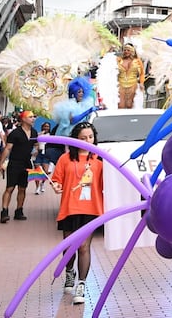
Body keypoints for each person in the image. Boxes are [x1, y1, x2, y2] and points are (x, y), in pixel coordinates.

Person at [49, 121, 104, 306]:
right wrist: (56, 185)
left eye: (90, 137)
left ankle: (81, 284)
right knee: (69, 247)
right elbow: (57, 180)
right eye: (83, 138)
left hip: (91, 209)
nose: (88, 140)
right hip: (70, 208)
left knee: (83, 247)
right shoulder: (65, 159)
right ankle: (69, 272)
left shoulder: (100, 159)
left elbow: (106, 185)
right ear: (75, 140)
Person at [0, 110, 37, 223]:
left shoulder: (34, 133)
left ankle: (19, 210)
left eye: (34, 117)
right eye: (30, 117)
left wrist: (37, 152)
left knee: (22, 188)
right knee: (10, 188)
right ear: (23, 119)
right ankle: (4, 211)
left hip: (26, 163)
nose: (33, 119)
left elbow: (36, 147)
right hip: (14, 163)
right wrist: (1, 163)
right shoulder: (15, 133)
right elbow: (8, 148)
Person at [116, 42, 145, 109]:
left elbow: (142, 73)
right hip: (121, 85)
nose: (126, 52)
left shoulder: (137, 61)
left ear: (132, 51)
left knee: (130, 105)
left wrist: (141, 83)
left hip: (133, 85)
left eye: (128, 50)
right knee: (121, 105)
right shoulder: (119, 60)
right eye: (125, 50)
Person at [32, 121, 54, 195]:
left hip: (47, 155)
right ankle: (37, 187)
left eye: (47, 126)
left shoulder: (51, 135)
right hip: (39, 154)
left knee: (46, 172)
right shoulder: (39, 134)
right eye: (45, 126)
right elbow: (34, 143)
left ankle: (42, 183)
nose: (46, 128)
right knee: (37, 171)